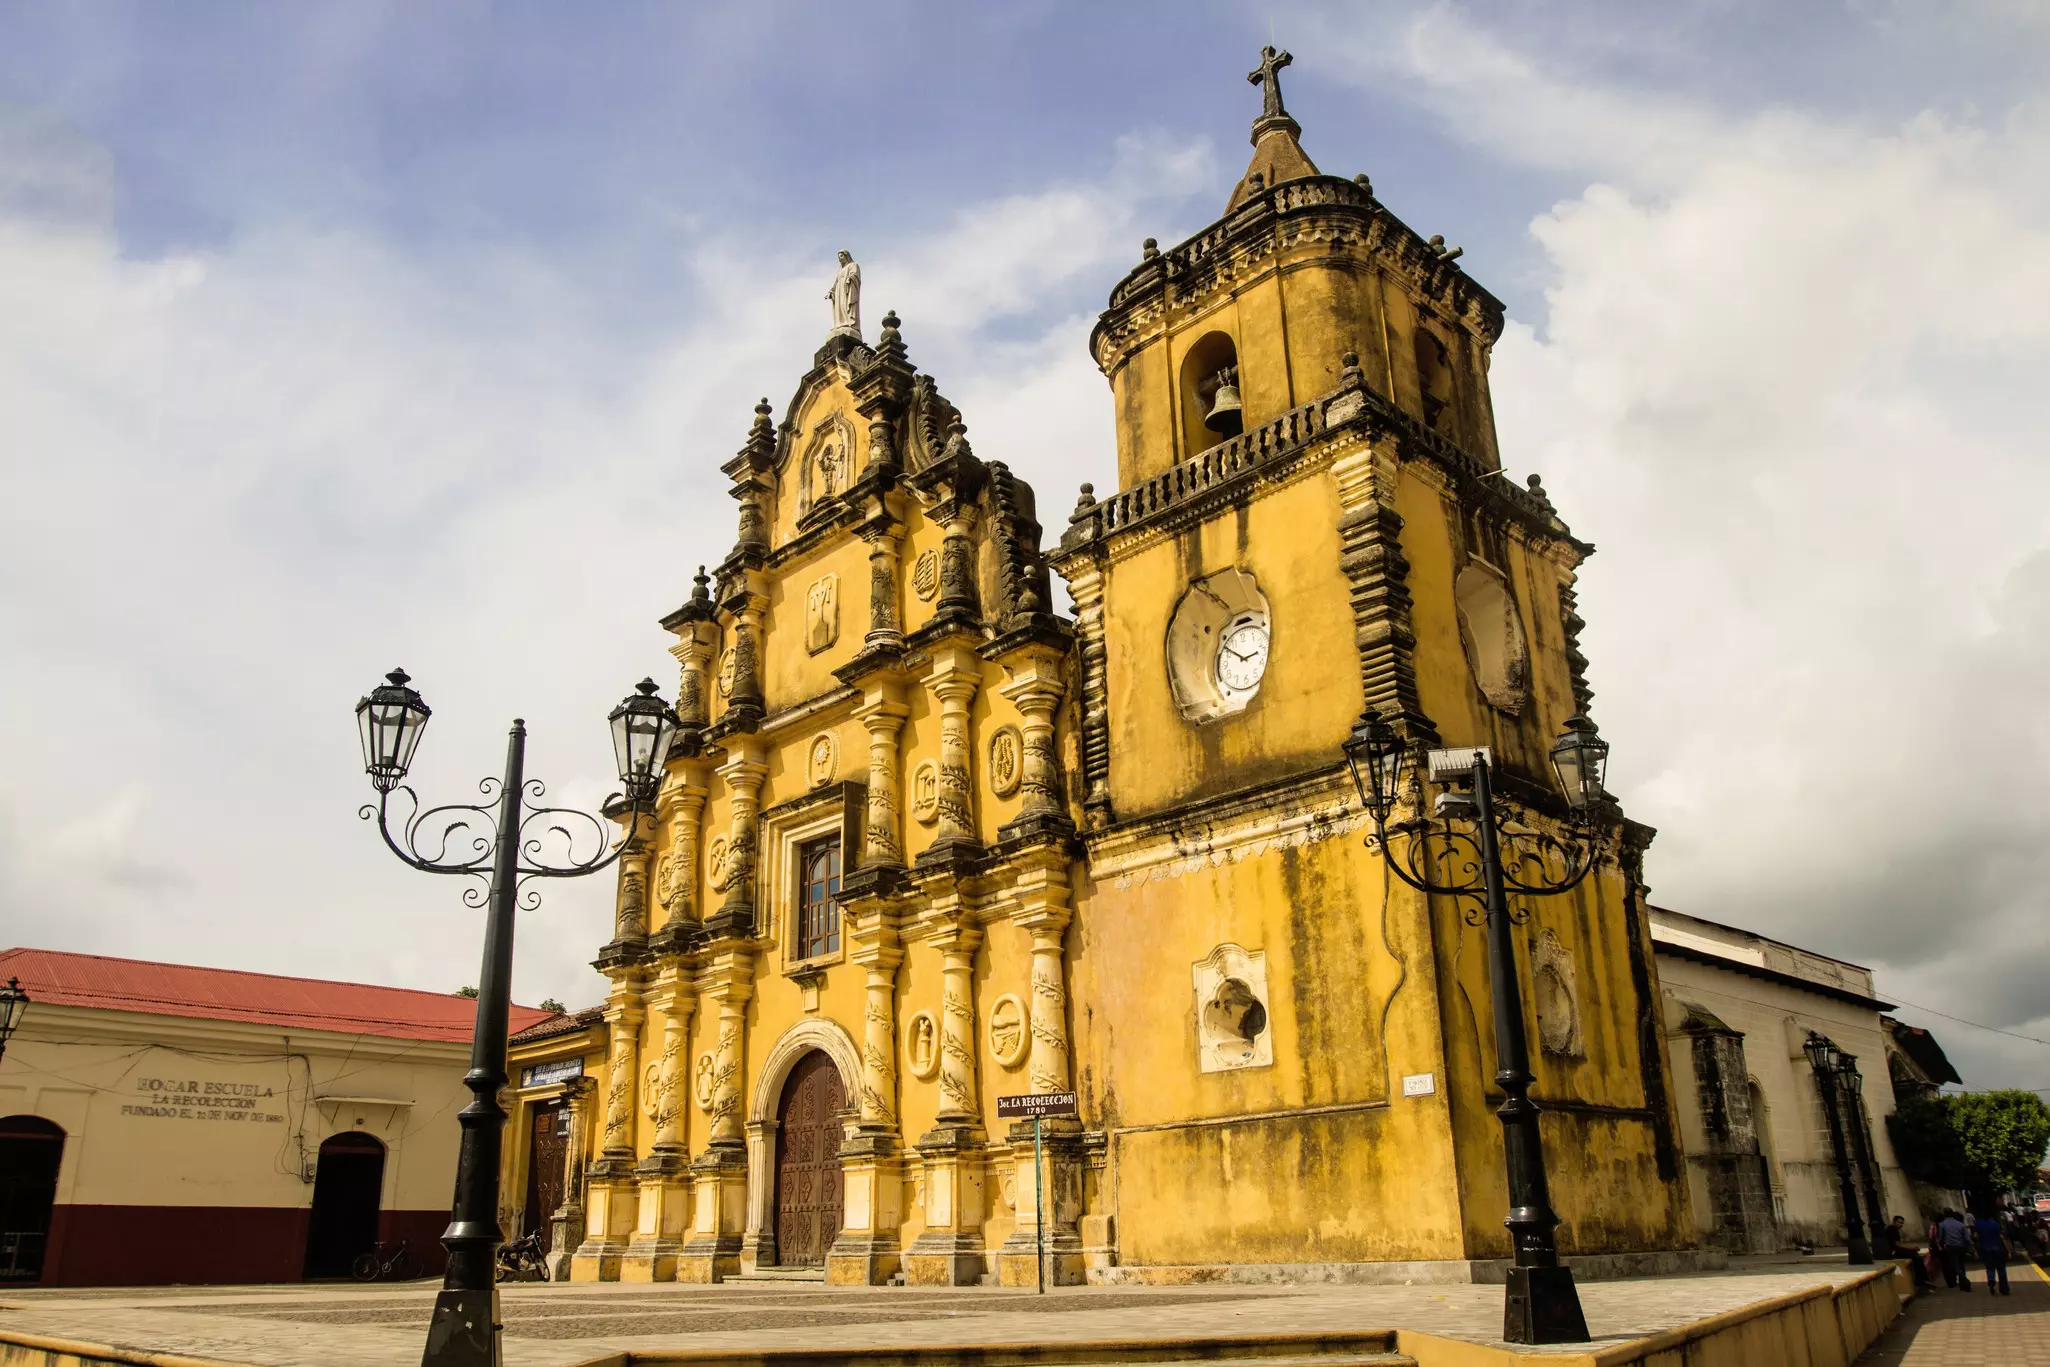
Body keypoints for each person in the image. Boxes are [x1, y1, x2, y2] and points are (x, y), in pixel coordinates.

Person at [1974, 1207, 2013, 1296]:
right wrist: (2008, 1251)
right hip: (1998, 1249)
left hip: (1985, 1249)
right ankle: (2004, 1289)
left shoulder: (1978, 1224)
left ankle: (1991, 1280)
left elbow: (1975, 1236)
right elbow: (2002, 1238)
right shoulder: (1995, 1224)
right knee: (2001, 1269)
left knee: (1989, 1267)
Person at [1936, 1208, 1973, 1290]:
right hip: (1961, 1247)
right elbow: (1967, 1238)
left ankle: (1964, 1281)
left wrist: (1941, 1246)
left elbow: (1941, 1238)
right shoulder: (1960, 1224)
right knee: (1961, 1265)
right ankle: (1963, 1282)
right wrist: (1971, 1248)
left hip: (1951, 1247)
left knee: (1956, 1266)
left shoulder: (1942, 1225)